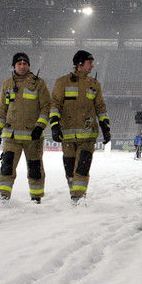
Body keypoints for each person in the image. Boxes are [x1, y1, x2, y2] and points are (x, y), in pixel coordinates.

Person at [49, 50, 111, 204]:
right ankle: (74, 193)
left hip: (87, 135)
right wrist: (55, 125)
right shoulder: (62, 82)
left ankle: (78, 197)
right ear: (79, 64)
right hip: (67, 135)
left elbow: (101, 108)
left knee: (82, 166)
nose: (92, 65)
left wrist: (106, 127)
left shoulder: (95, 85)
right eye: (90, 62)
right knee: (70, 169)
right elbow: (55, 104)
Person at [0, 52, 50, 203]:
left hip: (33, 137)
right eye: (19, 63)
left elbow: (46, 107)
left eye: (25, 63)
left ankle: (36, 198)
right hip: (11, 137)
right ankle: (2, 198)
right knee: (6, 168)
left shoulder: (39, 83)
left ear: (29, 65)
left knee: (35, 169)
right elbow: (3, 108)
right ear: (14, 66)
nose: (22, 66)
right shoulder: (7, 84)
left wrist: (40, 127)